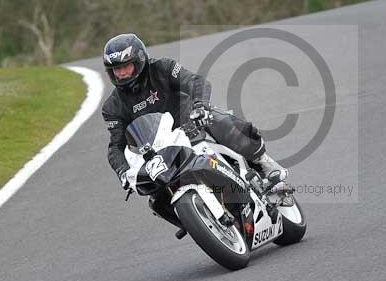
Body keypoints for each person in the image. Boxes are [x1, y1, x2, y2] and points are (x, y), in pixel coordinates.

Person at [101, 33, 287, 194]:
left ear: (139, 61)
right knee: (152, 193)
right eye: (117, 69)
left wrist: (200, 106)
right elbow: (116, 145)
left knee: (217, 120)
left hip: (191, 124)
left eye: (126, 66)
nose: (122, 73)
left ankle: (262, 162)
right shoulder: (112, 107)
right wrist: (123, 171)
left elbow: (195, 81)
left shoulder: (163, 68)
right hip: (161, 151)